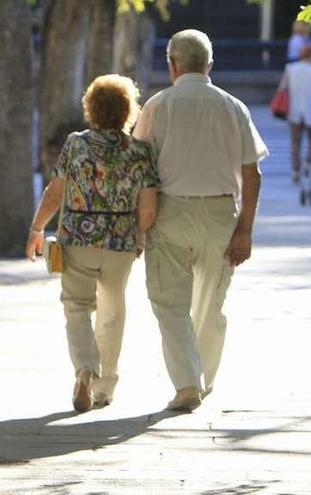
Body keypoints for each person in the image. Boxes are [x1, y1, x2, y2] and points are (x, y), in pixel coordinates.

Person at [133, 29, 268, 412]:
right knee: (210, 303)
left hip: (168, 211)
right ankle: (203, 377)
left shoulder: (157, 106)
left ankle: (187, 382)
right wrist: (245, 229)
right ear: (209, 65)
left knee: (169, 302)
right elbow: (252, 174)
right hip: (220, 214)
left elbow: (140, 169)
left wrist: (138, 226)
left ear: (172, 64)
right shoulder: (233, 106)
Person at [26, 74, 159, 413]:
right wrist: (140, 235)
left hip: (77, 238)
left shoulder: (75, 144)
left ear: (91, 108)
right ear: (128, 110)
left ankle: (85, 370)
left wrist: (37, 228)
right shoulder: (140, 152)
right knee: (113, 310)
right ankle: (105, 387)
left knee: (76, 306)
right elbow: (148, 205)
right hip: (120, 242)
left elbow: (55, 192)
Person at [279, 43, 311, 183]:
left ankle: (296, 171)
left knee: (295, 142)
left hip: (294, 110)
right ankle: (309, 164)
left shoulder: (290, 69)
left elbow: (283, 88)